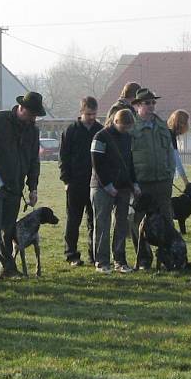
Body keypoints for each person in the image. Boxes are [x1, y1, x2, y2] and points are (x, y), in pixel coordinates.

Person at [0, 91, 43, 280]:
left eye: (35, 116)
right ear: (21, 108)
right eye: (31, 114)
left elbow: (34, 161)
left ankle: (8, 268)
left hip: (15, 185)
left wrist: (33, 187)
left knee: (8, 229)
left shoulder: (32, 131)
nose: (33, 119)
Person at [130, 88, 175, 270]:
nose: (151, 106)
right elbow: (127, 155)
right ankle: (143, 259)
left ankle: (168, 257)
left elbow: (171, 152)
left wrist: (170, 173)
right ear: (138, 106)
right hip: (142, 182)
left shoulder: (163, 126)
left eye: (153, 103)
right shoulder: (131, 127)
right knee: (139, 222)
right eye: (147, 103)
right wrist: (132, 182)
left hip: (162, 181)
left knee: (166, 218)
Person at [90, 109, 140, 273]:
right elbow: (96, 163)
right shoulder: (100, 137)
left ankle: (120, 261)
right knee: (102, 224)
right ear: (116, 121)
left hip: (123, 187)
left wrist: (134, 183)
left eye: (129, 127)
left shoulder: (127, 137)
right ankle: (102, 262)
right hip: (101, 188)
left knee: (121, 225)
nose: (126, 130)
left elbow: (129, 162)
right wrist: (107, 185)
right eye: (124, 126)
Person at [59, 96, 103, 267]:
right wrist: (66, 180)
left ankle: (94, 255)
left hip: (96, 183)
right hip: (75, 183)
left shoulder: (100, 130)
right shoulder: (71, 131)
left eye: (94, 114)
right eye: (89, 114)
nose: (92, 117)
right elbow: (63, 157)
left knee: (95, 221)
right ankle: (72, 255)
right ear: (81, 112)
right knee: (73, 221)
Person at [167, 109, 191, 186]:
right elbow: (176, 161)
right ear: (182, 124)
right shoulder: (170, 135)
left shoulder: (169, 133)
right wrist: (186, 181)